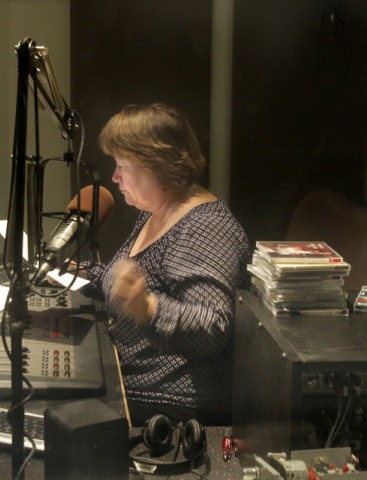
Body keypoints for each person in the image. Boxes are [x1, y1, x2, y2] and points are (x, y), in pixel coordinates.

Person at [84, 103, 251, 426]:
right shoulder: (156, 212)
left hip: (172, 402)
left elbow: (213, 325)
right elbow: (137, 280)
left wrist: (148, 308)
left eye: (123, 165)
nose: (114, 176)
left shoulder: (204, 228)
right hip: (132, 380)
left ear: (157, 165)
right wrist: (89, 276)